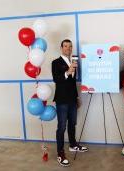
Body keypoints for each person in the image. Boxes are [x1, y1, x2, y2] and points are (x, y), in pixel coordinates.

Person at [52, 39, 88, 167]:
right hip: (61, 100)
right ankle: (60, 152)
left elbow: (72, 84)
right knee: (61, 127)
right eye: (66, 46)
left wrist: (77, 98)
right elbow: (57, 79)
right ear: (61, 48)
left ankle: (72, 145)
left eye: (70, 46)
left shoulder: (73, 62)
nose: (68, 48)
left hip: (72, 99)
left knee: (72, 123)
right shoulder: (55, 62)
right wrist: (68, 71)